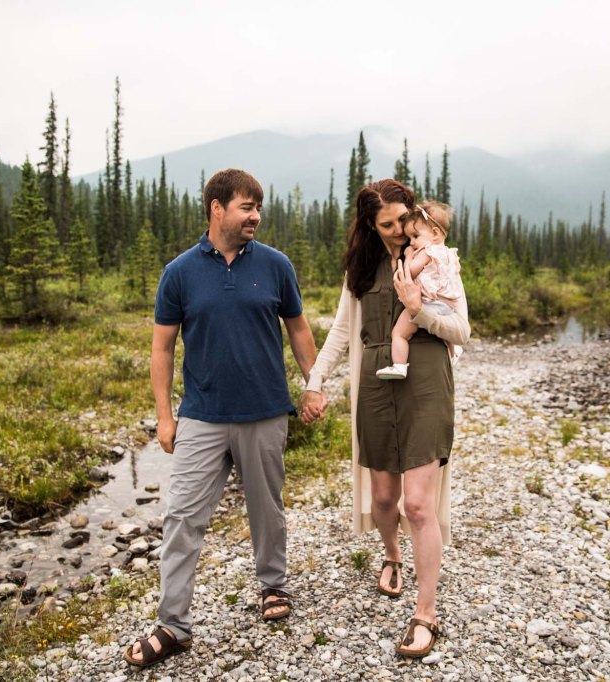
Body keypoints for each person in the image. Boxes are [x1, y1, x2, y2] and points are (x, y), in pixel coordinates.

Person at [124, 168, 317, 668]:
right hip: (202, 417)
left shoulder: (275, 265)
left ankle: (273, 586)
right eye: (246, 206)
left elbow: (298, 329)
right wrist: (165, 417)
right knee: (183, 516)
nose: (256, 215)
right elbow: (162, 349)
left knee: (266, 510)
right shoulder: (180, 272)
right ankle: (173, 625)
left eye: (258, 207)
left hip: (265, 411)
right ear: (216, 208)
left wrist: (313, 384)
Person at [300, 179, 470, 658]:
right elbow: (340, 332)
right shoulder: (360, 269)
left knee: (418, 505)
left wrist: (421, 311)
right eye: (387, 225)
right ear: (371, 227)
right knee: (382, 498)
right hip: (376, 381)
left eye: (403, 220)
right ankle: (392, 556)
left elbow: (462, 328)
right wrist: (315, 382)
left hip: (427, 379)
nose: (399, 232)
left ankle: (426, 614)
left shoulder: (437, 258)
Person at [376, 201, 464, 380]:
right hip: (447, 305)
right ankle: (453, 353)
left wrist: (408, 256)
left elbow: (410, 271)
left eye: (415, 236)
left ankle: (399, 366)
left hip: (428, 303)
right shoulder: (448, 253)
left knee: (399, 333)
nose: (412, 242)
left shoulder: (427, 252)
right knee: (446, 333)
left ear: (435, 234)